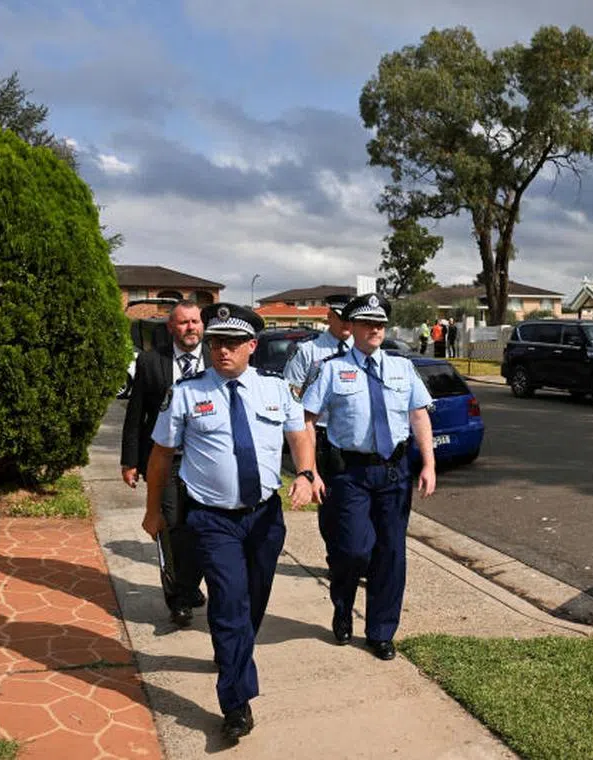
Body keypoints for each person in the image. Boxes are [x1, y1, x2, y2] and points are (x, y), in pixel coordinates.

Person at [143, 303, 315, 742]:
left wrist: (307, 473)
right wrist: (152, 509)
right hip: (212, 519)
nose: (223, 350)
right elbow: (161, 455)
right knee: (230, 603)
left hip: (263, 518)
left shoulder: (276, 391)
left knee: (252, 601)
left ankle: (233, 649)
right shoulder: (186, 393)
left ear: (252, 347)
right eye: (217, 342)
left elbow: (298, 435)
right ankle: (236, 702)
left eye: (234, 343)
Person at [301, 293, 436, 662]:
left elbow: (420, 415)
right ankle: (343, 607)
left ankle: (380, 631)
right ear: (352, 328)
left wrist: (428, 464)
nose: (375, 329)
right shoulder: (330, 369)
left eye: (380, 323)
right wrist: (309, 471)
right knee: (353, 550)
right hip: (351, 474)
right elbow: (307, 420)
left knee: (391, 554)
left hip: (394, 471)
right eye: (367, 323)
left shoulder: (402, 368)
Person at [121, 300, 208, 627]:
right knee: (170, 527)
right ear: (171, 327)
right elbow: (135, 415)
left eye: (195, 322)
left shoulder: (216, 360)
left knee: (200, 527)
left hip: (206, 461)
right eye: (183, 322)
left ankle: (189, 583)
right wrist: (129, 460)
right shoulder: (151, 361)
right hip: (165, 460)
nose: (191, 328)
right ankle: (178, 599)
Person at [282, 293, 353, 478]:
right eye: (341, 318)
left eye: (350, 318)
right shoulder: (308, 350)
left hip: (357, 434)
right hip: (322, 436)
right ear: (329, 317)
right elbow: (291, 396)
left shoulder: (361, 350)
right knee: (330, 499)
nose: (347, 323)